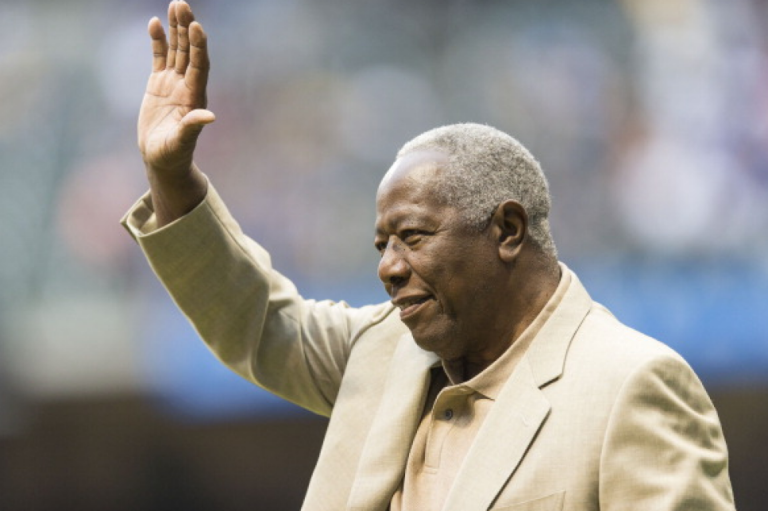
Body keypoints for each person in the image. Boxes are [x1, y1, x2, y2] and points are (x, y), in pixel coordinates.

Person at [122, 2, 736, 510]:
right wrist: (170, 177)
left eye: (413, 237)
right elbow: (257, 318)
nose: (388, 267)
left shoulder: (631, 384)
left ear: (508, 230)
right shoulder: (385, 350)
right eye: (382, 246)